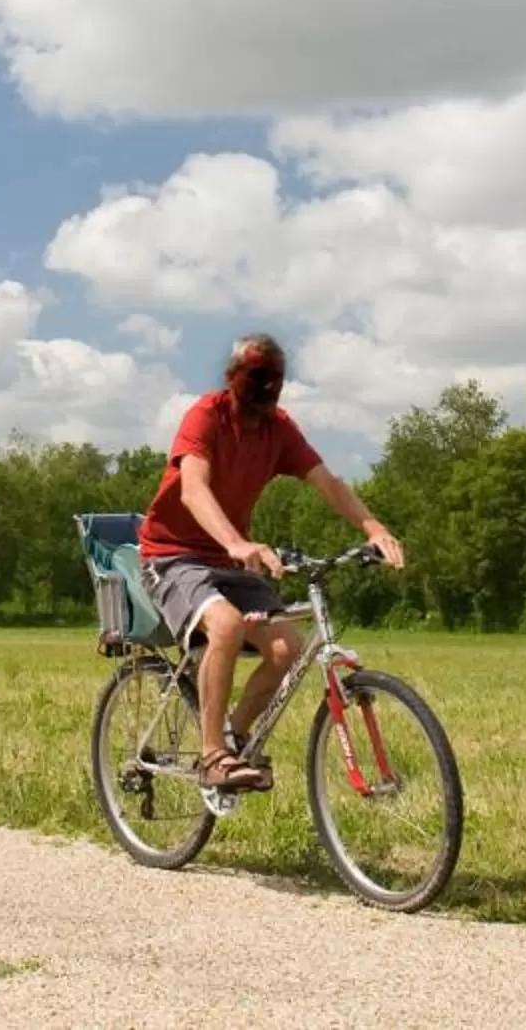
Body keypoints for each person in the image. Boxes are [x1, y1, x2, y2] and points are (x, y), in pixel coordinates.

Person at [137, 333, 402, 791]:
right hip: (174, 555)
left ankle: (233, 740)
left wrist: (372, 527)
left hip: (230, 558)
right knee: (226, 625)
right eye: (257, 376)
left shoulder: (279, 429)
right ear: (232, 377)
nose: (266, 388)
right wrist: (238, 543)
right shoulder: (207, 416)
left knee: (286, 649)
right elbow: (193, 487)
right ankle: (211, 756)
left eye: (275, 379)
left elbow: (328, 483)